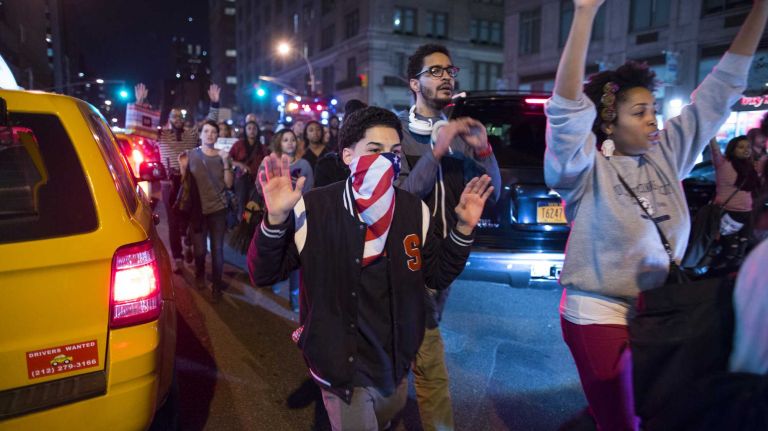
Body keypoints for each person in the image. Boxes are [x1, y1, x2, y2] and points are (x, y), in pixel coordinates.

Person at [544, 1, 768, 429]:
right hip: (599, 314)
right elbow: (565, 110)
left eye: (654, 109)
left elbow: (720, 90)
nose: (654, 120)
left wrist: (760, 9)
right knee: (623, 423)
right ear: (608, 123)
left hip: (660, 312)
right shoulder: (583, 168)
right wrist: (585, 14)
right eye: (640, 112)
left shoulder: (667, 155)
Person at [248, 106, 493, 430]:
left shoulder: (412, 210)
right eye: (374, 150)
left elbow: (436, 275)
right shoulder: (316, 208)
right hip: (340, 367)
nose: (387, 160)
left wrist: (462, 229)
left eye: (393, 152)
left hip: (392, 361)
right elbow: (263, 273)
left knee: (385, 419)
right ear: (348, 155)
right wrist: (276, 219)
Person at [396, 43, 502, 431]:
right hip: (403, 266)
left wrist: (483, 151)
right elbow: (402, 198)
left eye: (449, 71)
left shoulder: (460, 136)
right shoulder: (395, 134)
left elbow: (494, 193)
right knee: (423, 366)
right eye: (435, 71)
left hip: (445, 262)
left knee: (425, 352)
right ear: (414, 83)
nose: (446, 76)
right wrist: (435, 151)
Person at [147, 83, 220, 273]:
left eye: (181, 116)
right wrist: (140, 102)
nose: (178, 119)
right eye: (175, 116)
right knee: (172, 222)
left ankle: (188, 242)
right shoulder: (161, 135)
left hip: (189, 181)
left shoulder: (191, 134)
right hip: (169, 183)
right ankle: (177, 258)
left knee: (191, 219)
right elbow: (141, 126)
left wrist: (215, 103)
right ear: (169, 119)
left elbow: (209, 124)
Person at [255, 128, 314, 312]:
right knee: (277, 250)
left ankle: (294, 297)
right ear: (278, 142)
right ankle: (275, 278)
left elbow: (311, 190)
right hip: (278, 218)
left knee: (296, 257)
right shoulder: (271, 163)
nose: (290, 143)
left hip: (298, 218)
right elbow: (260, 186)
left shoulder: (304, 164)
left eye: (293, 139)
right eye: (286, 139)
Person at [180, 120, 234, 302]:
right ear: (201, 134)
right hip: (197, 211)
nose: (210, 134)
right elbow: (185, 183)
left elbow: (228, 184)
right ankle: (200, 274)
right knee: (200, 250)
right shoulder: (190, 155)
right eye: (207, 131)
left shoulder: (223, 155)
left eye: (213, 132)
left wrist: (226, 161)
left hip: (218, 209)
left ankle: (217, 287)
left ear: (217, 136)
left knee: (218, 250)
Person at [709, 136, 763, 268]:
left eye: (748, 147)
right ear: (732, 150)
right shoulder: (722, 163)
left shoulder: (751, 167)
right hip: (729, 214)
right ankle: (714, 277)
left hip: (747, 214)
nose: (746, 150)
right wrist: (711, 125)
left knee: (741, 251)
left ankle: (732, 280)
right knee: (730, 251)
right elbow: (714, 146)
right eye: (741, 147)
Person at [229, 121, 266, 222]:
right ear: (245, 130)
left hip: (256, 180)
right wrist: (240, 164)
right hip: (241, 179)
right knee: (241, 202)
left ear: (258, 131)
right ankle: (241, 224)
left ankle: (248, 224)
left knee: (253, 203)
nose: (252, 131)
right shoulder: (238, 144)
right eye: (249, 128)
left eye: (254, 128)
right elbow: (229, 159)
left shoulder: (262, 147)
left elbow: (266, 162)